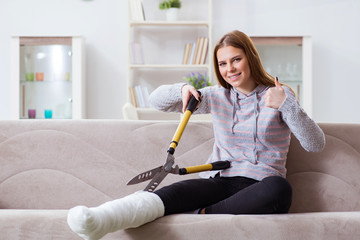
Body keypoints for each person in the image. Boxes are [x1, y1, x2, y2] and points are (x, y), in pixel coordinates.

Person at [67, 30, 325, 240]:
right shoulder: (216, 96)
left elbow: (315, 143)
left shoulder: (279, 95)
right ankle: (99, 220)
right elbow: (157, 101)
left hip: (260, 186)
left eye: (236, 59)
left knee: (280, 189)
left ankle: (203, 215)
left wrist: (286, 105)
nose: (230, 69)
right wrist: (181, 89)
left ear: (251, 58)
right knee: (172, 194)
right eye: (222, 63)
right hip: (219, 181)